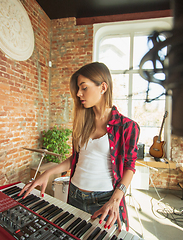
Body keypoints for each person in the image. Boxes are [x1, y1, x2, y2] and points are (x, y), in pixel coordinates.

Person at [19, 62, 140, 232]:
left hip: (104, 200)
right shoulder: (82, 122)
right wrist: (47, 172)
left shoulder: (127, 126)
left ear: (103, 87)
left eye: (84, 88)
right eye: (78, 88)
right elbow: (75, 159)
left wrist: (116, 199)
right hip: (74, 194)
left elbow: (130, 166)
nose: (78, 93)